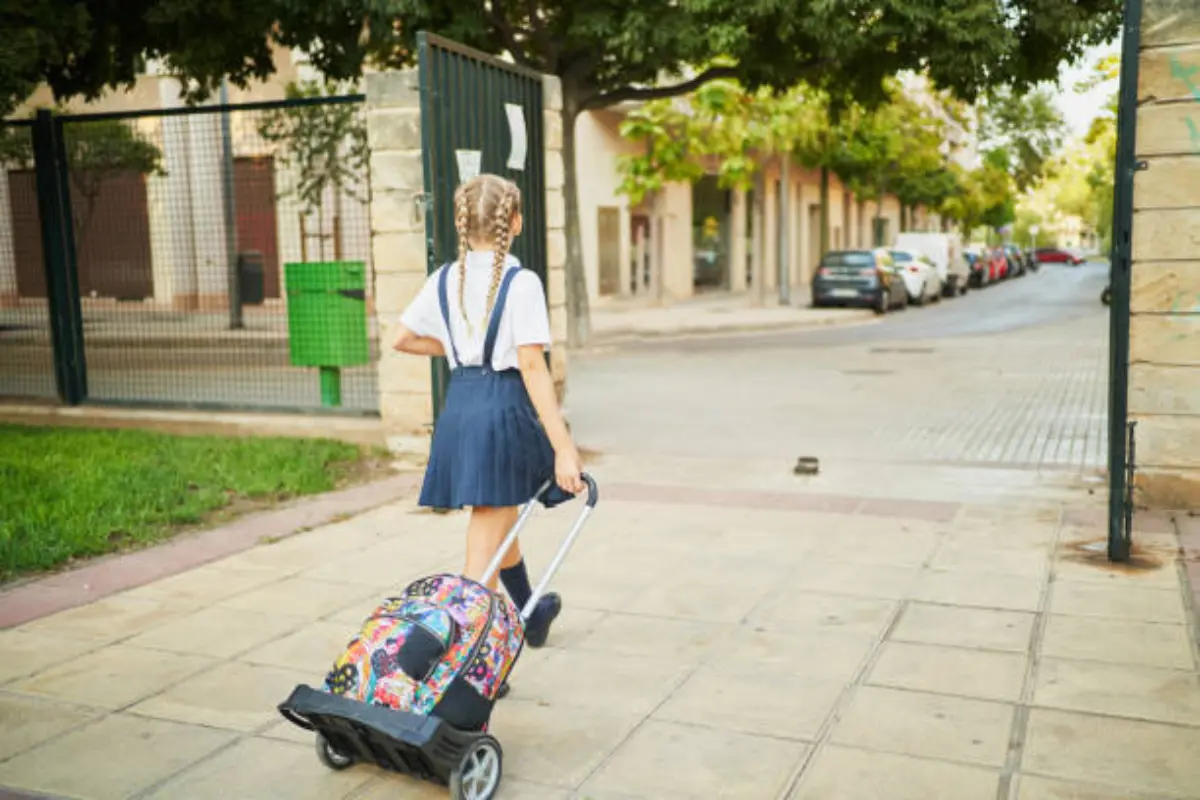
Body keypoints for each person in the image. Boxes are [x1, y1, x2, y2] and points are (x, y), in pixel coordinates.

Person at [391, 173, 585, 654]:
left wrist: (462, 349)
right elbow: (531, 366)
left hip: (459, 408)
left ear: (463, 222)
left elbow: (402, 338)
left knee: (500, 509)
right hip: (500, 409)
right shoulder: (521, 284)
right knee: (482, 553)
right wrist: (565, 450)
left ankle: (531, 610)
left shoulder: (445, 279)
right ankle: (466, 664)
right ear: (513, 222)